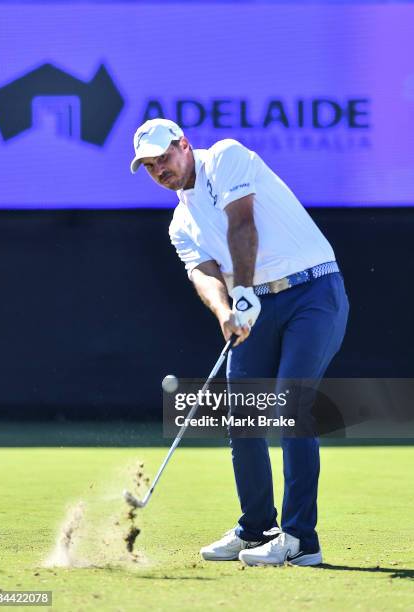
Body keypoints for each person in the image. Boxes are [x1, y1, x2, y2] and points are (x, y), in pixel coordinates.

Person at [130, 118, 349, 566]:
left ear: (184, 145)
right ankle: (256, 529)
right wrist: (225, 309)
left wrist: (243, 289)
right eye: (150, 167)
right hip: (256, 306)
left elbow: (242, 221)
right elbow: (203, 273)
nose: (160, 171)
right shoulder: (179, 222)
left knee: (291, 407)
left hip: (313, 290)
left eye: (163, 158)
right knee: (242, 414)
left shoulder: (226, 156)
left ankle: (300, 540)